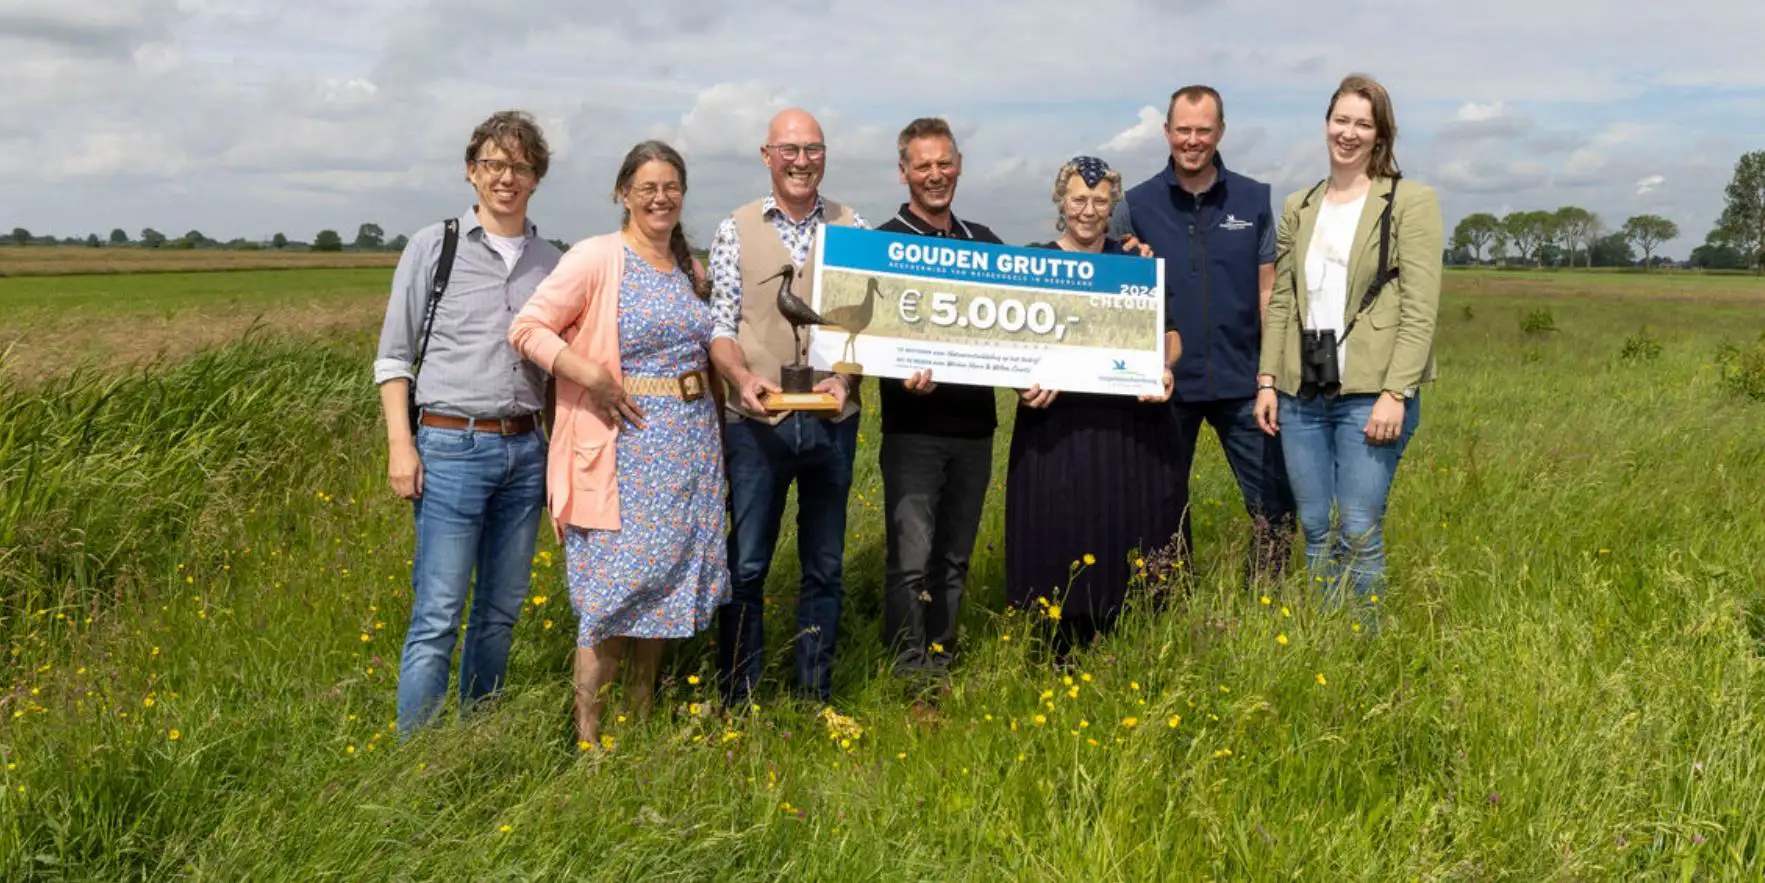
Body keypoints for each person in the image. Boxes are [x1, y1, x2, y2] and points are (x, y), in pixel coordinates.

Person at [507, 140, 729, 746]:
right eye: (647, 187)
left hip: (687, 450)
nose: (661, 198)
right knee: (610, 597)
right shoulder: (596, 257)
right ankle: (589, 740)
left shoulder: (689, 267)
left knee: (659, 590)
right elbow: (527, 328)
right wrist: (589, 375)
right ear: (622, 194)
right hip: (619, 453)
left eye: (671, 187)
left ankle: (638, 721)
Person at [373, 110, 563, 737]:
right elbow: (395, 355)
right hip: (450, 446)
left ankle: (474, 738)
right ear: (470, 171)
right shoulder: (438, 245)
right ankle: (417, 760)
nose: (506, 177)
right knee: (437, 615)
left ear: (537, 176)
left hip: (525, 452)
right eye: (493, 164)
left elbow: (561, 370)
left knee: (502, 611)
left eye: (520, 166)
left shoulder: (552, 260)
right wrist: (403, 446)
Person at [1253, 74, 1442, 625]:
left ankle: (1367, 642)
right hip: (1303, 388)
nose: (1349, 133)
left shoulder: (1410, 201)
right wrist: (1268, 380)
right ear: (1326, 124)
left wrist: (1396, 392)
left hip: (1371, 391)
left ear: (1381, 134)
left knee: (1358, 526)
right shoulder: (1300, 204)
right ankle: (1325, 641)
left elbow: (1420, 307)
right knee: (1314, 526)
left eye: (1363, 123)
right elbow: (1283, 302)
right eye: (1342, 120)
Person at [706, 108, 869, 709]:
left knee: (824, 567)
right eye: (790, 150)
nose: (802, 162)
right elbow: (720, 327)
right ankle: (739, 697)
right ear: (767, 155)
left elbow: (864, 326)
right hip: (756, 427)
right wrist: (742, 377)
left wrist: (844, 382)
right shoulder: (734, 229)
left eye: (813, 150)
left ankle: (813, 694)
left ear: (825, 155)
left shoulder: (855, 225)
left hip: (831, 425)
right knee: (746, 566)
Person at [1110, 84, 1297, 587]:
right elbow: (1108, 287)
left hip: (1243, 382)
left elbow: (1268, 294)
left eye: (1203, 130)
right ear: (1167, 131)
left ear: (1220, 133)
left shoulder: (1254, 200)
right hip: (1166, 385)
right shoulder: (1135, 205)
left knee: (1275, 502)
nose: (1192, 140)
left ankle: (1266, 596)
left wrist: (1269, 375)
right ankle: (1167, 600)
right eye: (1183, 130)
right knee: (1159, 501)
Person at [1006, 156, 1183, 661]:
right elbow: (1008, 346)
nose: (1088, 210)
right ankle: (1058, 649)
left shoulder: (1134, 264)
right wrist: (1019, 382)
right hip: (1056, 428)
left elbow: (1170, 335)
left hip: (1128, 425)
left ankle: (1131, 643)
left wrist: (1163, 368)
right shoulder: (1034, 262)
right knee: (1059, 530)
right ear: (1061, 201)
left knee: (1127, 525)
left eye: (1100, 200)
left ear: (1113, 206)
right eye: (1079, 199)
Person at [872, 117, 1004, 681]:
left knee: (953, 556)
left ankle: (942, 657)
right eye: (923, 165)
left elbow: (1016, 327)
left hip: (975, 427)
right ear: (904, 172)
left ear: (959, 167)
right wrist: (895, 371)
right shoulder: (882, 243)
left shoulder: (986, 243)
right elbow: (867, 335)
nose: (935, 175)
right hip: (913, 429)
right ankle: (906, 667)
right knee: (910, 559)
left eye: (944, 163)